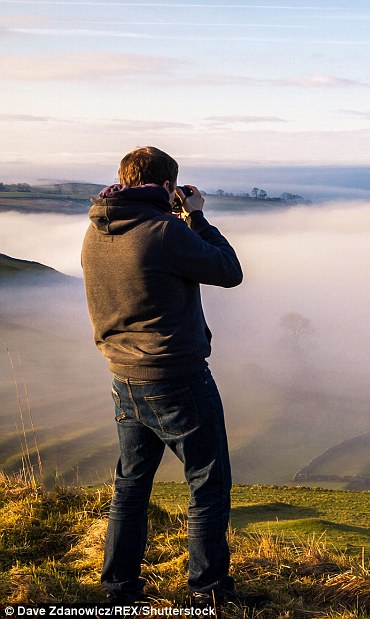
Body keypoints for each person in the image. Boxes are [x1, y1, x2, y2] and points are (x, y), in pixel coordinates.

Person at [81, 146, 243, 607]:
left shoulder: (96, 230)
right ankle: (206, 595)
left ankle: (118, 591)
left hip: (124, 376)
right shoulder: (165, 230)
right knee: (208, 485)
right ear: (169, 185)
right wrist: (196, 217)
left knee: (130, 486)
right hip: (177, 377)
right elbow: (229, 271)